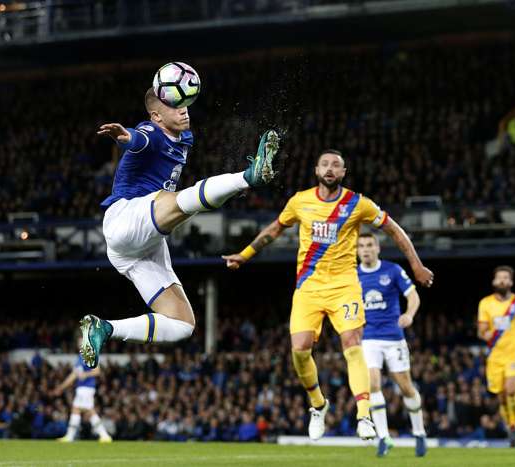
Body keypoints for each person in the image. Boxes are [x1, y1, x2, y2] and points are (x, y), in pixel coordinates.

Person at [223, 149, 433, 441]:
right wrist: (244, 255)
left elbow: (394, 229)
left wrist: (417, 264)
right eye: (325, 164)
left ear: (343, 173)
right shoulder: (300, 201)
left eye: (336, 165)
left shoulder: (357, 204)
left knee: (352, 343)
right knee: (299, 350)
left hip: (345, 286)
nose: (330, 168)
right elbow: (274, 230)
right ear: (316, 170)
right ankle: (319, 405)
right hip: (308, 287)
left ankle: (364, 415)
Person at [79, 86, 279, 367]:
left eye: (183, 103)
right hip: (125, 217)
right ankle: (249, 176)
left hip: (136, 248)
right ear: (157, 116)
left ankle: (105, 328)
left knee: (183, 323)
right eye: (174, 106)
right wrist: (125, 137)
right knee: (179, 201)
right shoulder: (152, 131)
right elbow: (139, 139)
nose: (183, 109)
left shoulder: (184, 136)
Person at [356, 233, 427, 457]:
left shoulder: (392, 270)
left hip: (394, 337)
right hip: (368, 338)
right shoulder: (352, 275)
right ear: (357, 250)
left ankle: (419, 431)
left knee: (406, 387)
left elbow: (413, 295)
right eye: (361, 246)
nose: (365, 249)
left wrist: (409, 314)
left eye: (369, 245)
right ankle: (384, 437)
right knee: (373, 383)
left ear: (378, 248)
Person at [477, 266, 515, 446]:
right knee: (502, 396)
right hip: (495, 357)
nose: (502, 281)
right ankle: (513, 426)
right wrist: (486, 334)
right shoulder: (485, 303)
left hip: (514, 356)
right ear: (494, 282)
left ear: (511, 282)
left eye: (506, 278)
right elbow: (482, 330)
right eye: (499, 278)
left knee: (511, 390)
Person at [52, 351, 112, 442]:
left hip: (87, 388)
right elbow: (74, 375)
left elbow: (97, 370)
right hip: (82, 388)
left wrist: (86, 374)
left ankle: (103, 435)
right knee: (80, 410)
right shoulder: (80, 357)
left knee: (84, 410)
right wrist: (61, 387)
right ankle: (103, 435)